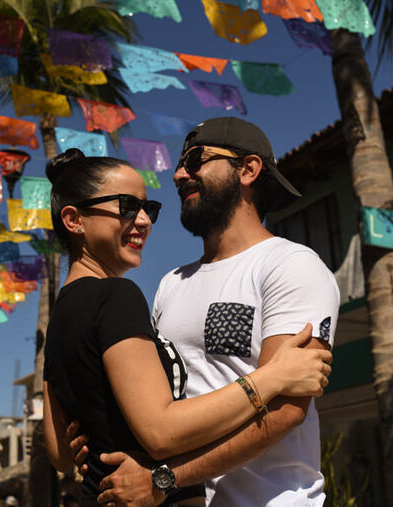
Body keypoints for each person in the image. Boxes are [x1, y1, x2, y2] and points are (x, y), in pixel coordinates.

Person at [42, 148, 333, 505]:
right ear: (74, 220)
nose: (144, 220)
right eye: (126, 206)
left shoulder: (60, 316)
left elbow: (59, 452)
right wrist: (271, 378)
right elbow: (160, 432)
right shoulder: (116, 296)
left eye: (148, 208)